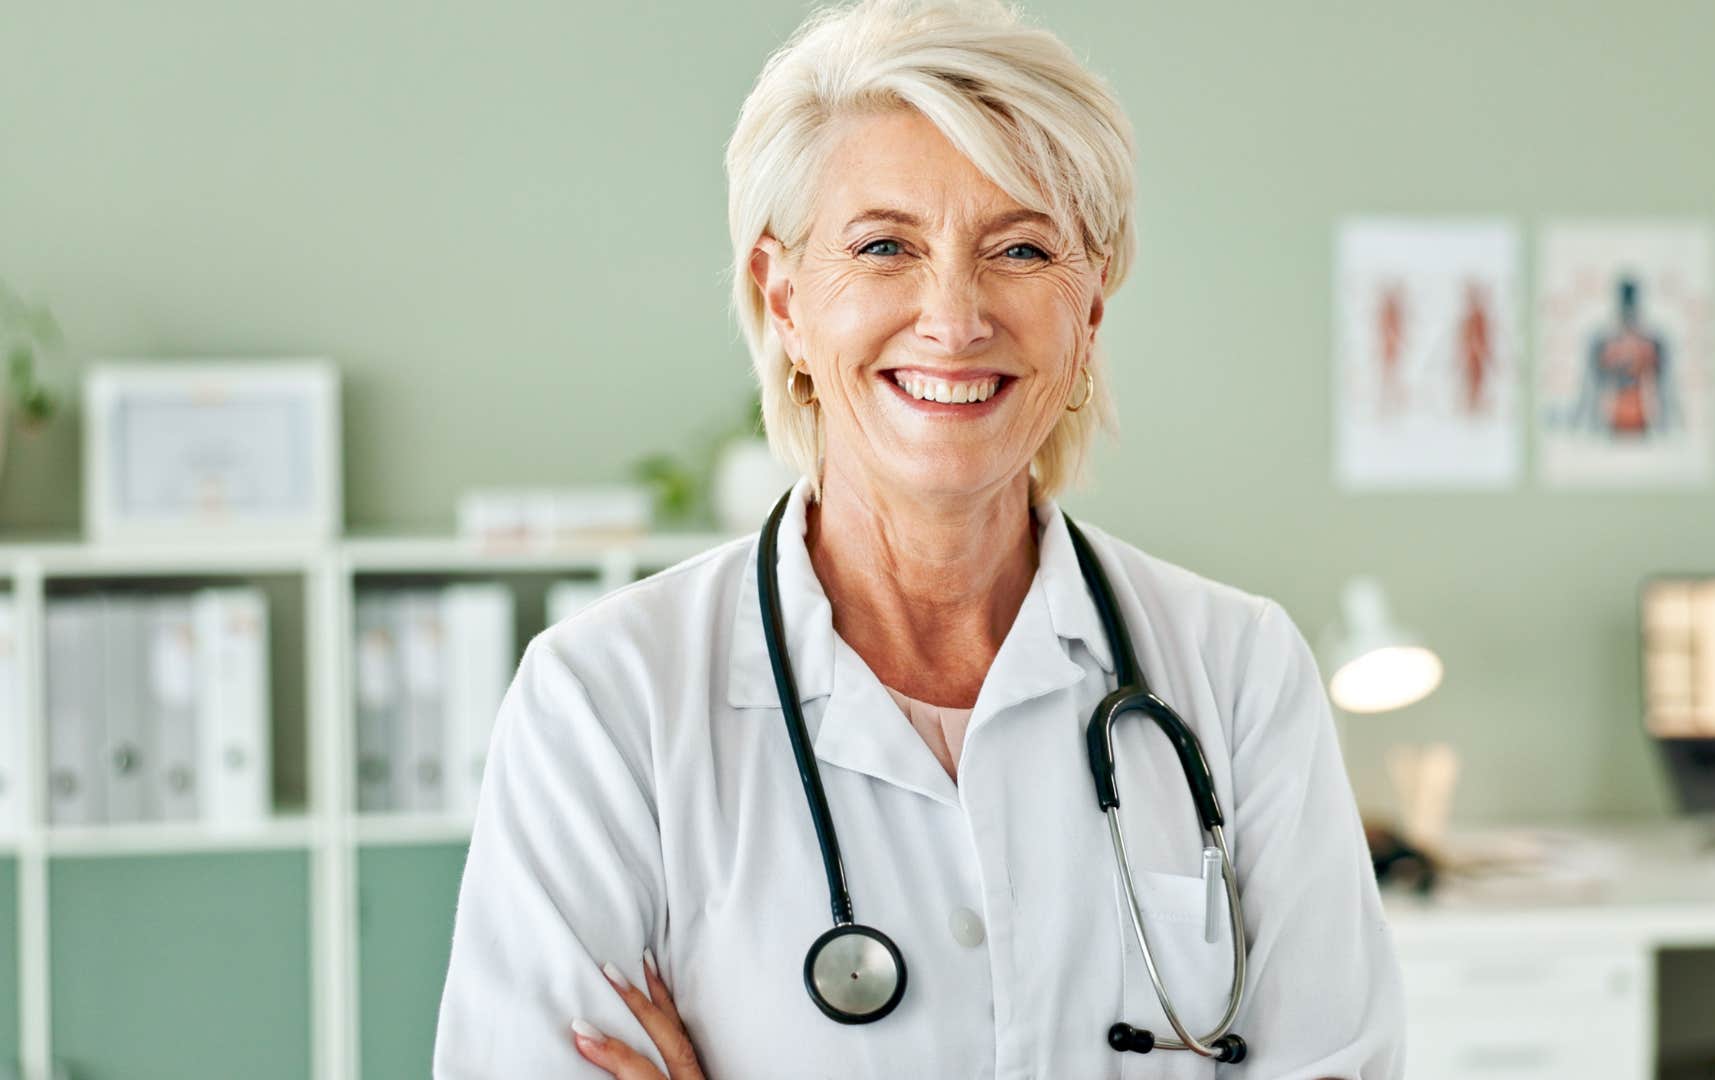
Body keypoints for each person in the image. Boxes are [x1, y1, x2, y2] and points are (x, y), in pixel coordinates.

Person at [432, 0, 1406, 1076]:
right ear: (786, 298)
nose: (953, 317)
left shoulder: (1240, 675)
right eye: (885, 244)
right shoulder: (605, 705)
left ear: (1087, 317)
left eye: (1021, 248)